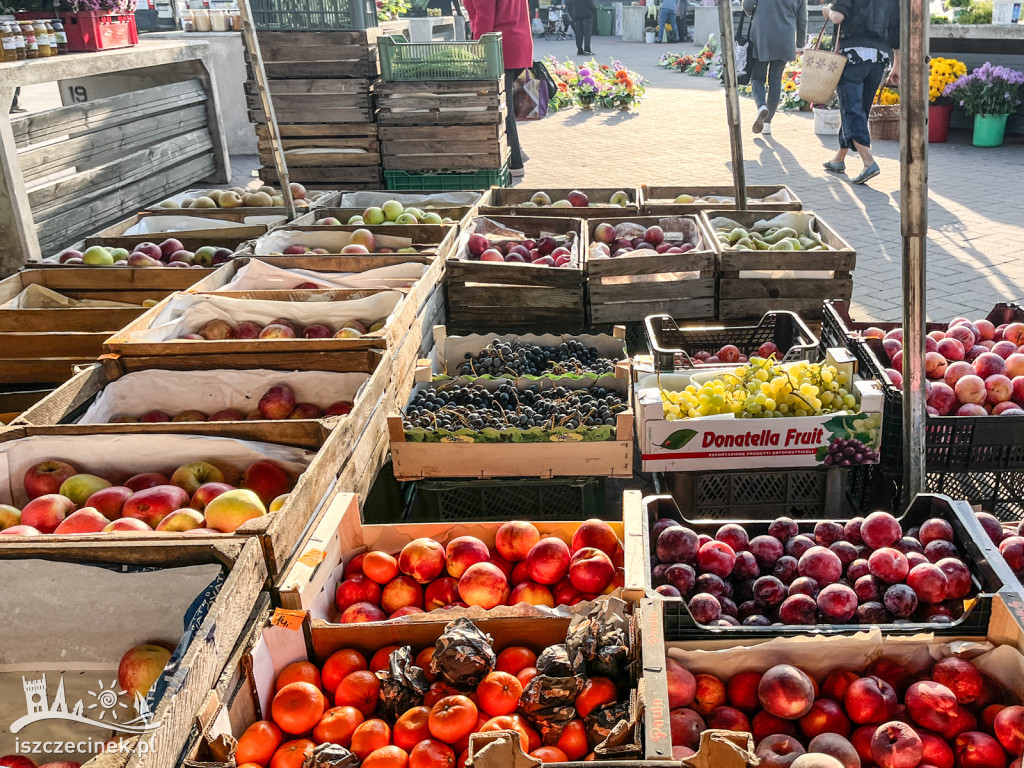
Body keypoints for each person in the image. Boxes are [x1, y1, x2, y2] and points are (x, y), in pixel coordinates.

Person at [821, 0, 900, 184]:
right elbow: (896, 32)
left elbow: (838, 16)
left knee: (851, 109)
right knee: (859, 110)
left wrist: (828, 10)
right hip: (879, 59)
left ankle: (868, 161)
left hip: (852, 56)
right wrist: (897, 66)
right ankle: (839, 159)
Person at [464, 0, 533, 177]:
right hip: (517, 41)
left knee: (503, 106)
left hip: (501, 45)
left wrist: (478, 51)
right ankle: (516, 151)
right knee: (505, 102)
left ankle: (515, 162)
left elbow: (485, 18)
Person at [742, 0, 807, 136]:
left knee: (757, 77)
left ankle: (762, 106)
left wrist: (752, 12)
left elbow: (748, 5)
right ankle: (767, 123)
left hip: (762, 34)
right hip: (785, 37)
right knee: (775, 80)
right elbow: (802, 18)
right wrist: (800, 43)